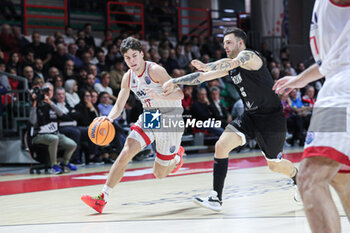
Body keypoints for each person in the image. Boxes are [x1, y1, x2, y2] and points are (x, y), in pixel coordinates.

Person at [163, 27, 298, 211]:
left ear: (240, 43)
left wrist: (209, 65)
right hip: (250, 116)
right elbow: (203, 77)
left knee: (275, 165)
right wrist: (175, 81)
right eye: (224, 42)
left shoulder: (250, 57)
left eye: (229, 42)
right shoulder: (231, 66)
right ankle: (215, 198)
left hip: (271, 119)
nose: (225, 45)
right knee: (221, 145)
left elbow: (231, 63)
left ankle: (298, 178)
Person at [81, 37, 185, 214]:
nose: (132, 61)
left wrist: (159, 97)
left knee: (159, 174)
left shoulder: (156, 71)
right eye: (127, 58)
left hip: (169, 117)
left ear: (142, 54)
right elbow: (119, 105)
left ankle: (176, 158)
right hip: (151, 115)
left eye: (134, 56)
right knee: (125, 152)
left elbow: (180, 94)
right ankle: (102, 199)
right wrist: (109, 118)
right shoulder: (128, 77)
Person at [273, 1, 350, 232]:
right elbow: (330, 62)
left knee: (310, 177)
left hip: (343, 90)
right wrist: (299, 80)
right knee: (341, 178)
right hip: (336, 81)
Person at [29, 83, 77, 174]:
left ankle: (65, 163)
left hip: (55, 133)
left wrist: (50, 103)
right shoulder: (36, 105)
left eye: (50, 90)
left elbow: (63, 116)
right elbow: (32, 121)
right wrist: (35, 103)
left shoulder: (52, 105)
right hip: (39, 135)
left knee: (72, 144)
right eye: (46, 91)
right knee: (54, 139)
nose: (48, 93)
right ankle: (53, 166)